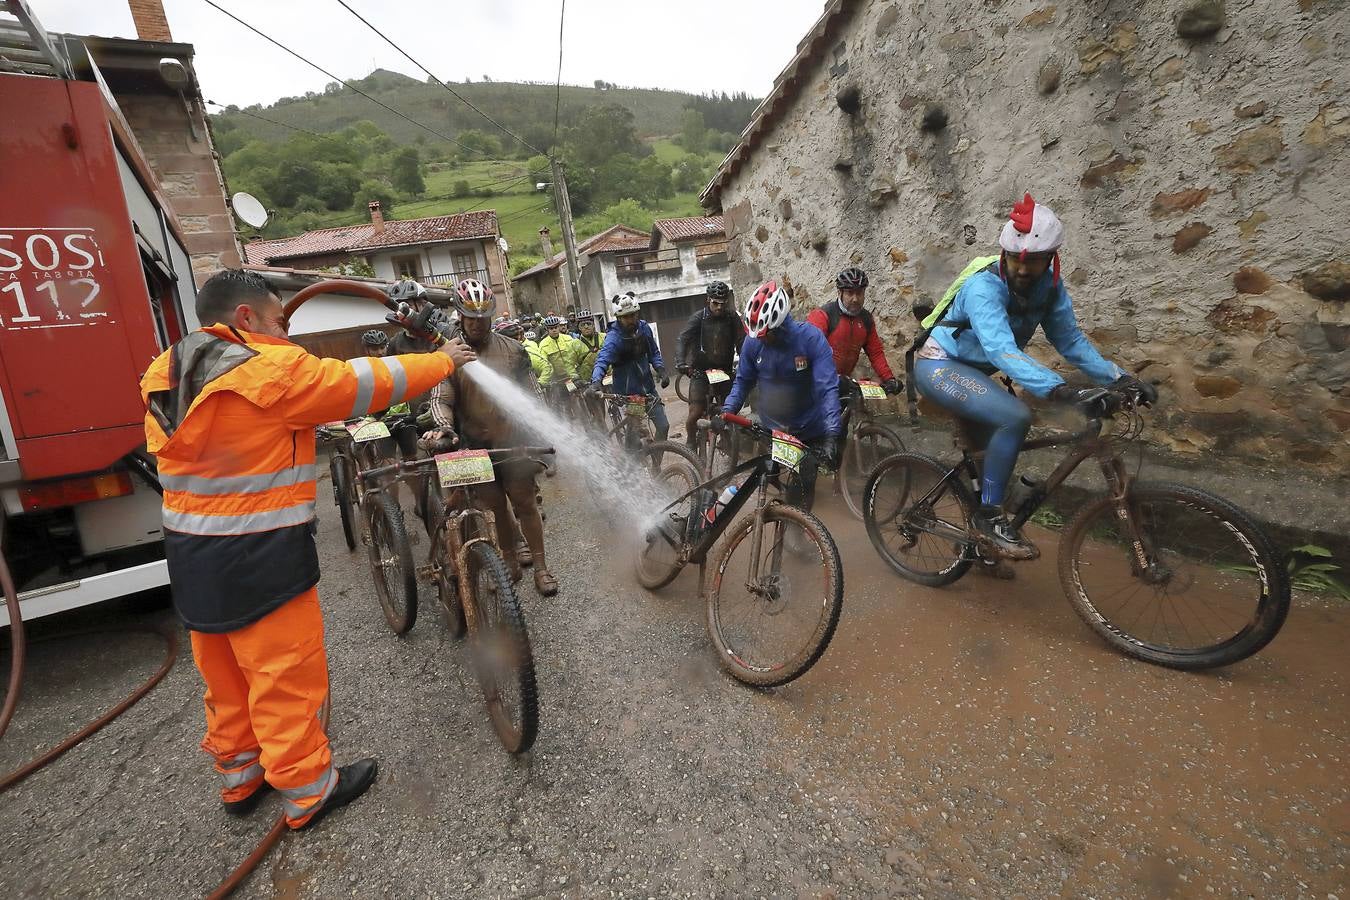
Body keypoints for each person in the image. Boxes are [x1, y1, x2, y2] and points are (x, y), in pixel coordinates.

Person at [140, 269, 475, 830]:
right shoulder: (263, 369)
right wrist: (443, 360)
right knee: (282, 673)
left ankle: (240, 777)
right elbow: (358, 383)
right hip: (259, 549)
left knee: (223, 673)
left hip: (192, 552)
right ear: (244, 319)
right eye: (277, 321)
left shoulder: (170, 367)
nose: (286, 333)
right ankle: (307, 788)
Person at [913, 193, 1156, 560]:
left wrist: (1120, 379)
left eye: (1036, 262)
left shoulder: (1050, 288)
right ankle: (990, 519)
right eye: (1015, 260)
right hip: (939, 365)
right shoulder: (984, 287)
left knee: (993, 454)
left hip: (973, 373)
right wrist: (1060, 390)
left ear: (1051, 260)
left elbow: (1071, 341)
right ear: (1004, 254)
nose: (1023, 270)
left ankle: (981, 549)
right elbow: (1001, 350)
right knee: (1016, 416)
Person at [425, 279, 558, 596]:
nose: (476, 324)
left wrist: (536, 429)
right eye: (470, 318)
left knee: (525, 504)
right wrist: (445, 427)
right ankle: (510, 562)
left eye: (482, 317)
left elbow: (533, 397)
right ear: (459, 316)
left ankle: (540, 568)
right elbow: (440, 398)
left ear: (491, 316)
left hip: (513, 443)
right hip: (474, 447)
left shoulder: (513, 351)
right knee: (495, 508)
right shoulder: (449, 354)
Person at [720, 280, 841, 511]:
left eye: (767, 335)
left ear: (781, 324)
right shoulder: (753, 342)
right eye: (758, 335)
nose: (761, 340)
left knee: (803, 486)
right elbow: (743, 381)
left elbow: (827, 388)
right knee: (765, 476)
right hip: (772, 429)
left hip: (808, 428)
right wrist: (728, 410)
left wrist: (832, 433)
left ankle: (795, 529)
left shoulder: (811, 339)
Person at [806, 267, 903, 412]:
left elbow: (875, 353)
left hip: (843, 385)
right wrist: (831, 377)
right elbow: (810, 352)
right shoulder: (824, 315)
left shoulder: (866, 319)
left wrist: (889, 379)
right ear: (840, 293)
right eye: (850, 293)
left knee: (840, 431)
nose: (855, 299)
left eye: (859, 293)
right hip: (816, 384)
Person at [587, 292, 670, 441]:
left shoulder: (644, 328)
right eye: (626, 317)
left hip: (649, 391)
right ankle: (630, 462)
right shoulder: (614, 338)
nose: (630, 319)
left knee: (663, 427)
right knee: (635, 435)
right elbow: (602, 360)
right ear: (618, 318)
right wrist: (596, 381)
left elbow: (654, 352)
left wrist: (661, 369)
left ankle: (656, 463)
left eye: (633, 315)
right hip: (630, 397)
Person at [675, 280, 745, 448]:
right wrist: (680, 362)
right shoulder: (698, 318)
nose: (719, 307)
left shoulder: (732, 317)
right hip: (700, 372)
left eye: (723, 303)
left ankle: (727, 442)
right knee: (695, 414)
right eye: (715, 303)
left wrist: (746, 361)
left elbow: (742, 341)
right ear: (708, 300)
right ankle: (691, 442)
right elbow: (683, 340)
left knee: (731, 412)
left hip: (724, 372)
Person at [536, 315, 579, 406]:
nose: (554, 330)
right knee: (559, 403)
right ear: (547, 330)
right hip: (557, 379)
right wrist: (544, 381)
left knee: (578, 397)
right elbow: (544, 364)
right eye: (551, 328)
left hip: (572, 375)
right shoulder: (543, 344)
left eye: (556, 327)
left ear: (559, 327)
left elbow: (577, 354)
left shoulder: (568, 339)